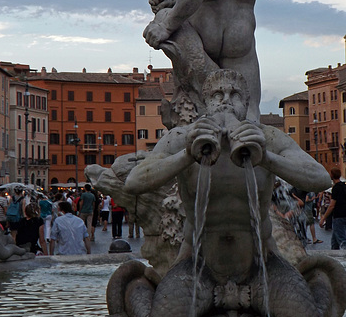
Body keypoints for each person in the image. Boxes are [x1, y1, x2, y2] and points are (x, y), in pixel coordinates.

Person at [125, 69, 331, 282]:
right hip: (197, 262)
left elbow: (321, 179)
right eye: (217, 95)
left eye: (235, 95)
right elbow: (134, 182)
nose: (226, 101)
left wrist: (266, 158)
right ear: (206, 103)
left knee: (300, 311)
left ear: (246, 103)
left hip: (262, 261)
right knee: (166, 313)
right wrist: (187, 155)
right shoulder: (182, 138)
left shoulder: (266, 137)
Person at [319, 168, 346, 250]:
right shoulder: (344, 186)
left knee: (341, 239)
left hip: (338, 216)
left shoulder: (336, 188)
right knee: (334, 241)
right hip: (344, 215)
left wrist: (323, 218)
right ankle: (335, 256)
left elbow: (332, 205)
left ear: (332, 175)